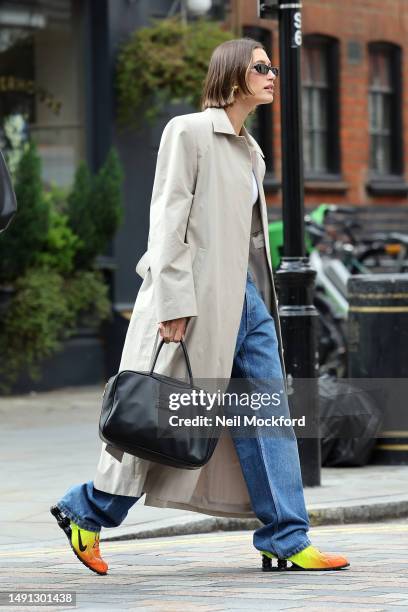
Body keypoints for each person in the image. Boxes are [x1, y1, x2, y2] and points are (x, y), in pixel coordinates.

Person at [51, 38, 349, 576]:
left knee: (269, 414)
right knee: (161, 417)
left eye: (272, 66)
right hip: (195, 301)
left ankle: (287, 536)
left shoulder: (249, 149)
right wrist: (173, 302)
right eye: (261, 67)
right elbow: (166, 222)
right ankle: (87, 508)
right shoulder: (187, 132)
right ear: (233, 75)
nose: (272, 74)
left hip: (247, 302)